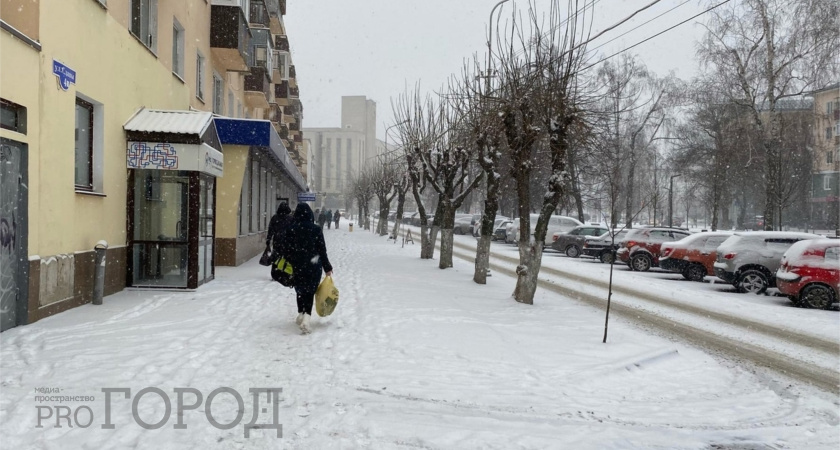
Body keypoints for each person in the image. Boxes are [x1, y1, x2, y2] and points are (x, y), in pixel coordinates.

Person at [277, 203, 333, 334]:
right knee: (309, 291)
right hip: (313, 266)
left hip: (297, 266)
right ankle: (306, 318)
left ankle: (301, 313)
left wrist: (291, 259)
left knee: (300, 290)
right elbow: (322, 250)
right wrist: (327, 267)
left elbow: (285, 249)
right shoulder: (316, 229)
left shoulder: (291, 229)